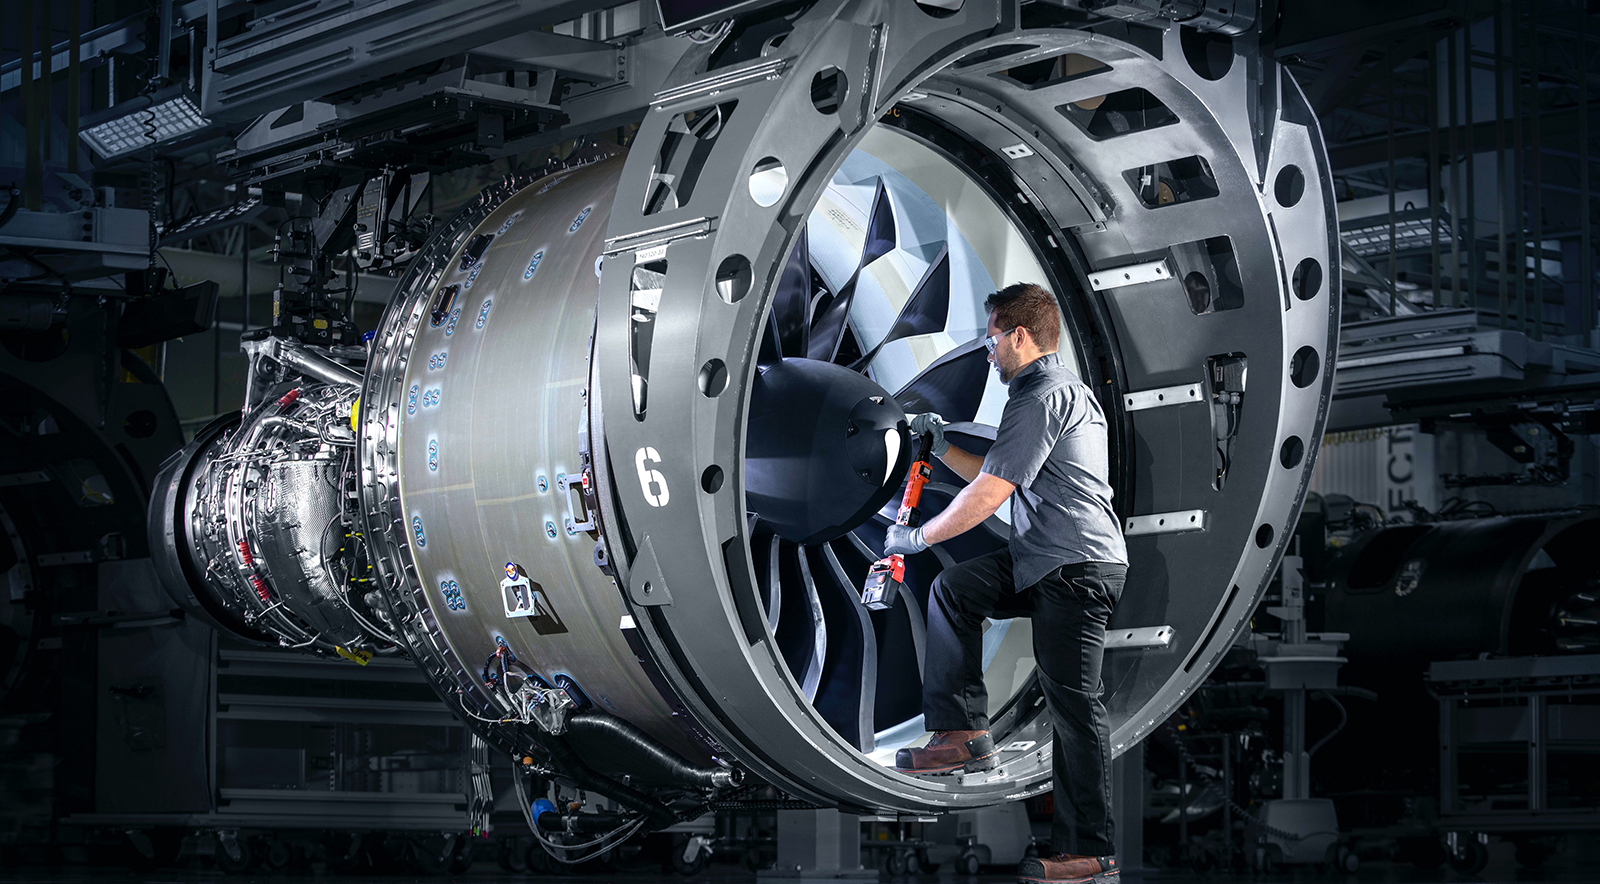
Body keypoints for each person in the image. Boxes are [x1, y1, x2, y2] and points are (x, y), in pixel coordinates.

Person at [883, 283, 1129, 884]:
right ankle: (964, 734)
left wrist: (917, 538)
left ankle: (1091, 852)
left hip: (1074, 569)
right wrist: (942, 447)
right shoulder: (1048, 393)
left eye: (991, 338)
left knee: (1074, 705)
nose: (987, 351)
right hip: (1042, 561)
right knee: (956, 590)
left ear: (1019, 336)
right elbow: (996, 472)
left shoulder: (1041, 395)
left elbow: (990, 496)